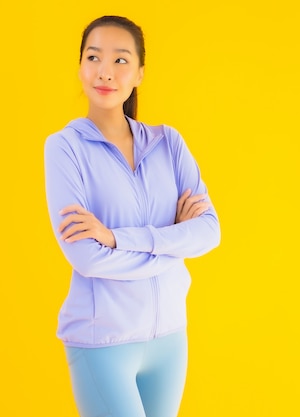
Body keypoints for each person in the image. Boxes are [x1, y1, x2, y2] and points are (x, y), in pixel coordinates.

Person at [43, 15, 221, 417]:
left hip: (170, 339)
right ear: (81, 67)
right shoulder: (64, 149)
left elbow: (209, 232)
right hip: (102, 341)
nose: (105, 71)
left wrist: (118, 238)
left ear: (139, 72)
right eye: (94, 57)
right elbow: (87, 258)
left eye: (120, 60)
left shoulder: (168, 143)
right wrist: (173, 244)